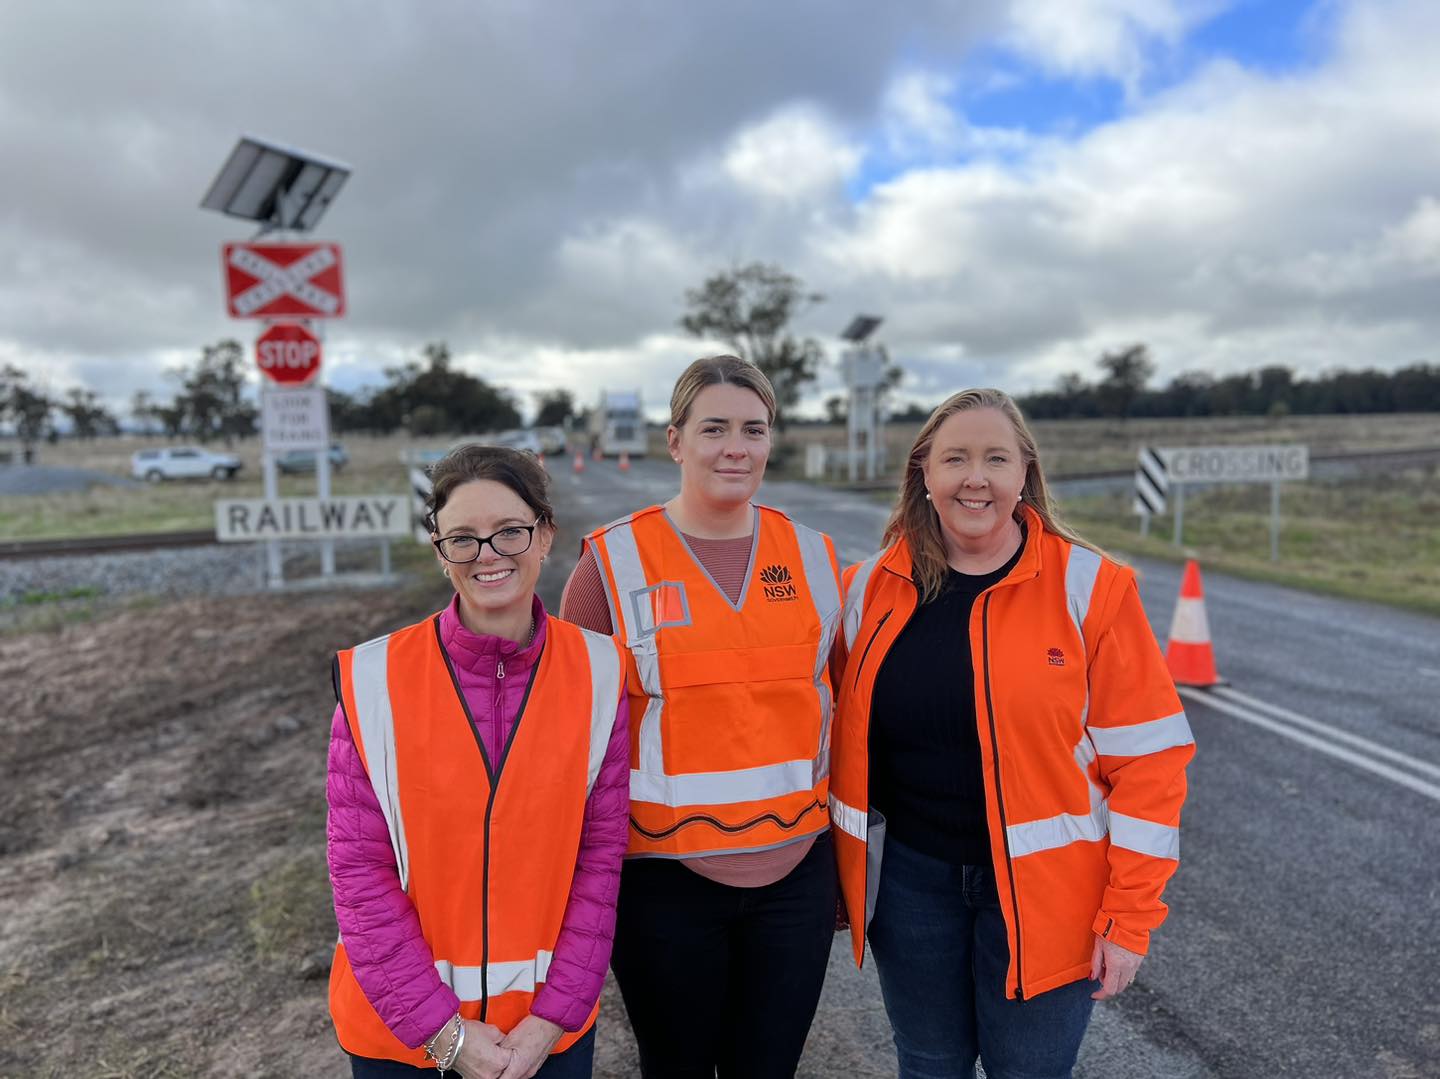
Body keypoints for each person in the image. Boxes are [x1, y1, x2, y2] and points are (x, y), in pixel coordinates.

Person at [829, 388, 1195, 1079]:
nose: (976, 477)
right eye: (955, 458)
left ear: (1025, 472)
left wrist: (1130, 917)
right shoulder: (866, 589)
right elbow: (828, 738)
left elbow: (1151, 764)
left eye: (996, 458)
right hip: (909, 888)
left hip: (1049, 898)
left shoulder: (1093, 588)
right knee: (928, 1065)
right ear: (924, 473)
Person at [560, 355, 843, 1078]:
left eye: (754, 429)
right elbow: (570, 743)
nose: (735, 448)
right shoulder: (611, 566)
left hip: (796, 876)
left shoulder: (815, 560)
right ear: (675, 441)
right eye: (714, 428)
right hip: (663, 883)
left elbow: (842, 716)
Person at [326, 444, 630, 1079]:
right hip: (405, 1041)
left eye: (509, 531)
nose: (487, 555)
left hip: (543, 1039)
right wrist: (446, 1036)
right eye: (463, 538)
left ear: (545, 535)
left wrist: (554, 1018)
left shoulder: (599, 671)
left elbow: (600, 858)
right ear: (441, 553)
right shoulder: (374, 681)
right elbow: (360, 875)